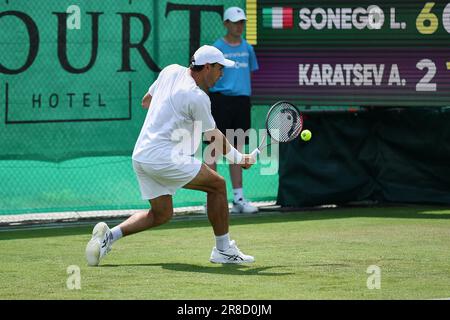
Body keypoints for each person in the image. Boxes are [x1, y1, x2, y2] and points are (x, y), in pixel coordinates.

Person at [85, 45, 256, 266]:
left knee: (161, 213)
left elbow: (146, 101)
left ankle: (110, 236)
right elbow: (215, 137)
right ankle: (223, 250)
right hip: (162, 156)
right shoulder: (198, 97)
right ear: (206, 67)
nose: (222, 73)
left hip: (141, 156)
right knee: (218, 185)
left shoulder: (170, 70)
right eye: (219, 68)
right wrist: (241, 159)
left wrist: (171, 113)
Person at [207, 7, 259, 214]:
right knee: (213, 149)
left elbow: (249, 75)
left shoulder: (248, 48)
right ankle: (211, 198)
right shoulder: (216, 49)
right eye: (235, 22)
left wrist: (243, 94)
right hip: (220, 101)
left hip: (241, 102)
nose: (239, 26)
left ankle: (238, 198)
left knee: (236, 149)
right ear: (226, 23)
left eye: (242, 22)